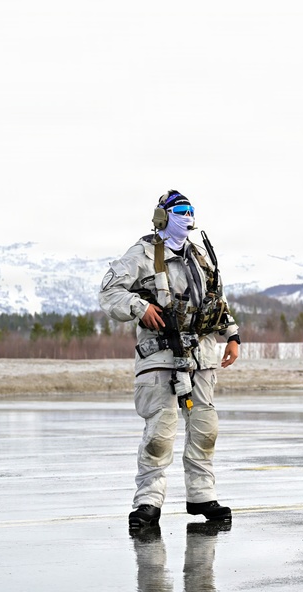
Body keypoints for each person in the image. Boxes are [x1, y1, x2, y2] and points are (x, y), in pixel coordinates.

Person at [99, 190, 240, 530]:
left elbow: (213, 299)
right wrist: (141, 307)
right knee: (160, 434)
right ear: (162, 216)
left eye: (190, 210)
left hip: (201, 357)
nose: (187, 216)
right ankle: (148, 502)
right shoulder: (144, 253)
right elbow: (109, 291)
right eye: (180, 211)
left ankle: (202, 495)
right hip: (161, 354)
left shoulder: (200, 255)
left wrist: (232, 335)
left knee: (205, 430)